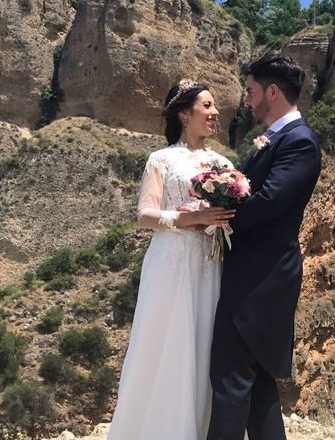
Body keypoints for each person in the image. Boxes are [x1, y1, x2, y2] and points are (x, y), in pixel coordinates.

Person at [108, 80, 236, 440]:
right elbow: (144, 214)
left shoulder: (222, 163)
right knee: (167, 342)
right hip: (172, 261)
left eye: (215, 107)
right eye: (207, 106)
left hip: (210, 263)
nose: (215, 113)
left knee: (205, 343)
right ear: (184, 113)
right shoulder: (161, 160)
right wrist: (185, 219)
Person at [207, 56, 322, 440]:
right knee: (254, 384)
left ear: (272, 92)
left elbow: (270, 200)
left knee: (229, 376)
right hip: (253, 274)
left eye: (251, 92)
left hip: (263, 278)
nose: (247, 101)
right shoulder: (274, 138)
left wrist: (215, 220)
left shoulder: (300, 141)